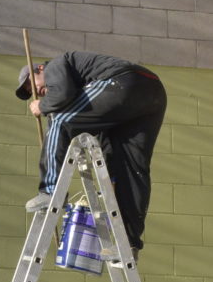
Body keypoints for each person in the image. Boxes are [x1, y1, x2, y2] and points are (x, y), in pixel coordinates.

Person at [15, 51, 166, 253]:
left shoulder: (56, 65)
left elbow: (62, 93)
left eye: (33, 83)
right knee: (131, 169)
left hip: (125, 81)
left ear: (40, 69)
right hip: (152, 93)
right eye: (29, 91)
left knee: (59, 119)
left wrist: (42, 106)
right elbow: (100, 133)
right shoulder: (94, 101)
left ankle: (49, 191)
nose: (37, 90)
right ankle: (129, 243)